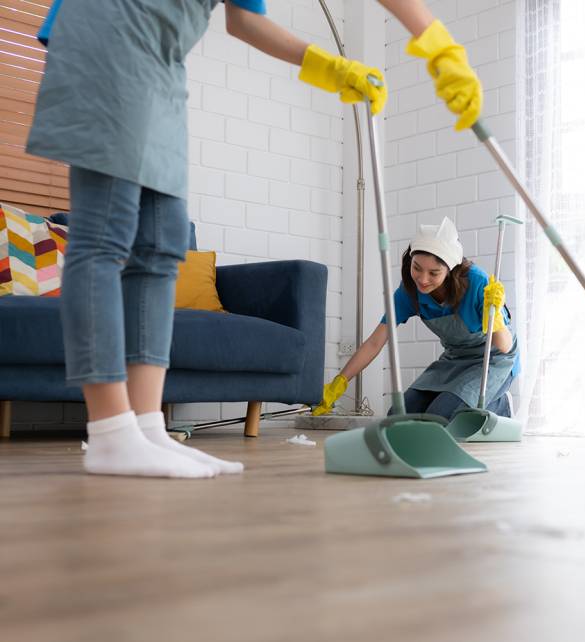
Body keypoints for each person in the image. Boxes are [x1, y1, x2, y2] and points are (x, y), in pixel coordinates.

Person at [27, 0, 482, 478]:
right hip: (111, 30)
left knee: (161, 248)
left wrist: (328, 65)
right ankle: (110, 432)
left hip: (162, 60)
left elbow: (243, 19)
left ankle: (144, 427)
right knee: (105, 238)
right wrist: (438, 43)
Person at [313, 218, 519, 420]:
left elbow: (504, 346)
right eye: (417, 268)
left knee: (440, 416)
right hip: (455, 359)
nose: (422, 279)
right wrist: (339, 382)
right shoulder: (409, 292)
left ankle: (499, 404)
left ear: (450, 271)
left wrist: (496, 311)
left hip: (492, 361)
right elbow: (374, 343)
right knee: (397, 417)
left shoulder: (478, 283)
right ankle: (460, 401)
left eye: (434, 273)